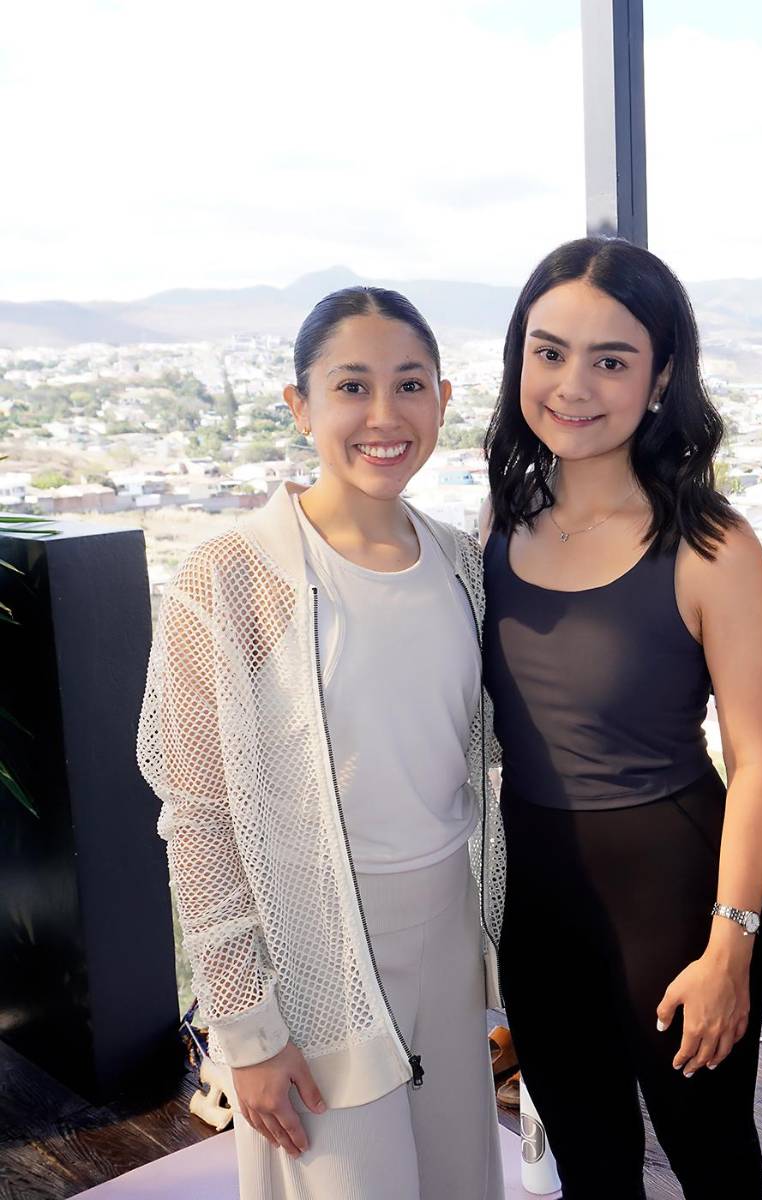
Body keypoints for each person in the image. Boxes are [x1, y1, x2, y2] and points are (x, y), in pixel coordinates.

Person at [138, 287, 505, 1199]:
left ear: (444, 399)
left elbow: (484, 761)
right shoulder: (230, 577)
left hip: (449, 934)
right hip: (313, 949)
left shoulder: (465, 562)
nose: (385, 417)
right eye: (352, 386)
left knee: (462, 1179)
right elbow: (199, 818)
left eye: (410, 385)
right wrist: (247, 1033)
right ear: (300, 405)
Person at [481, 237, 762, 1199]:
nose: (573, 383)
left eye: (611, 359)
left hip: (675, 898)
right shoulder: (499, 526)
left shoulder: (709, 544)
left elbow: (759, 757)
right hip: (535, 899)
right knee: (589, 1160)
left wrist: (729, 943)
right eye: (549, 351)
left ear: (658, 380)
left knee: (712, 1158)